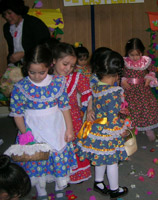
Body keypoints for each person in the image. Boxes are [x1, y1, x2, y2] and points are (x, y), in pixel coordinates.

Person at [9, 44, 77, 200]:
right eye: (32, 72)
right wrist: (25, 133)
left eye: (42, 72)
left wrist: (69, 129)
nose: (37, 76)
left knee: (58, 157)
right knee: (39, 161)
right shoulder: (20, 87)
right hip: (33, 128)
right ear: (25, 67)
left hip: (55, 127)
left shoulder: (58, 82)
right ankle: (42, 192)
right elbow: (17, 114)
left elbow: (65, 107)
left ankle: (60, 188)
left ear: (50, 66)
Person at [77, 50, 129, 199]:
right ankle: (114, 189)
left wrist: (91, 108)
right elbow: (114, 118)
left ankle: (98, 182)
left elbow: (92, 100)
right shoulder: (114, 92)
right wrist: (122, 129)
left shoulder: (95, 85)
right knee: (112, 161)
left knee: (100, 157)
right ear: (117, 75)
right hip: (108, 131)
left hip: (96, 129)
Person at [52, 42, 92, 184]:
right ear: (54, 61)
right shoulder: (46, 79)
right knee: (57, 147)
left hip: (73, 119)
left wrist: (90, 109)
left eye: (72, 66)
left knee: (73, 146)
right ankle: (60, 175)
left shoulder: (76, 78)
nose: (68, 69)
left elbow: (88, 93)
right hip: (53, 122)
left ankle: (76, 174)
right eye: (65, 64)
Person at [121, 38, 158, 141]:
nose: (135, 57)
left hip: (142, 89)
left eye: (137, 54)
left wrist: (149, 77)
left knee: (145, 109)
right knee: (130, 110)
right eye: (132, 55)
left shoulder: (145, 61)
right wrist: (123, 80)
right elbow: (120, 73)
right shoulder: (125, 62)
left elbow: (153, 70)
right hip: (129, 90)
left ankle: (148, 129)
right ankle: (129, 131)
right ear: (128, 53)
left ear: (142, 52)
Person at [0, 0, 50, 65]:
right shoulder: (7, 28)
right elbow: (12, 49)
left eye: (9, 13)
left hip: (36, 64)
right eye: (4, 14)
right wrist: (11, 59)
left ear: (17, 10)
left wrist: (24, 53)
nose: (7, 17)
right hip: (17, 65)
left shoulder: (34, 23)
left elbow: (45, 46)